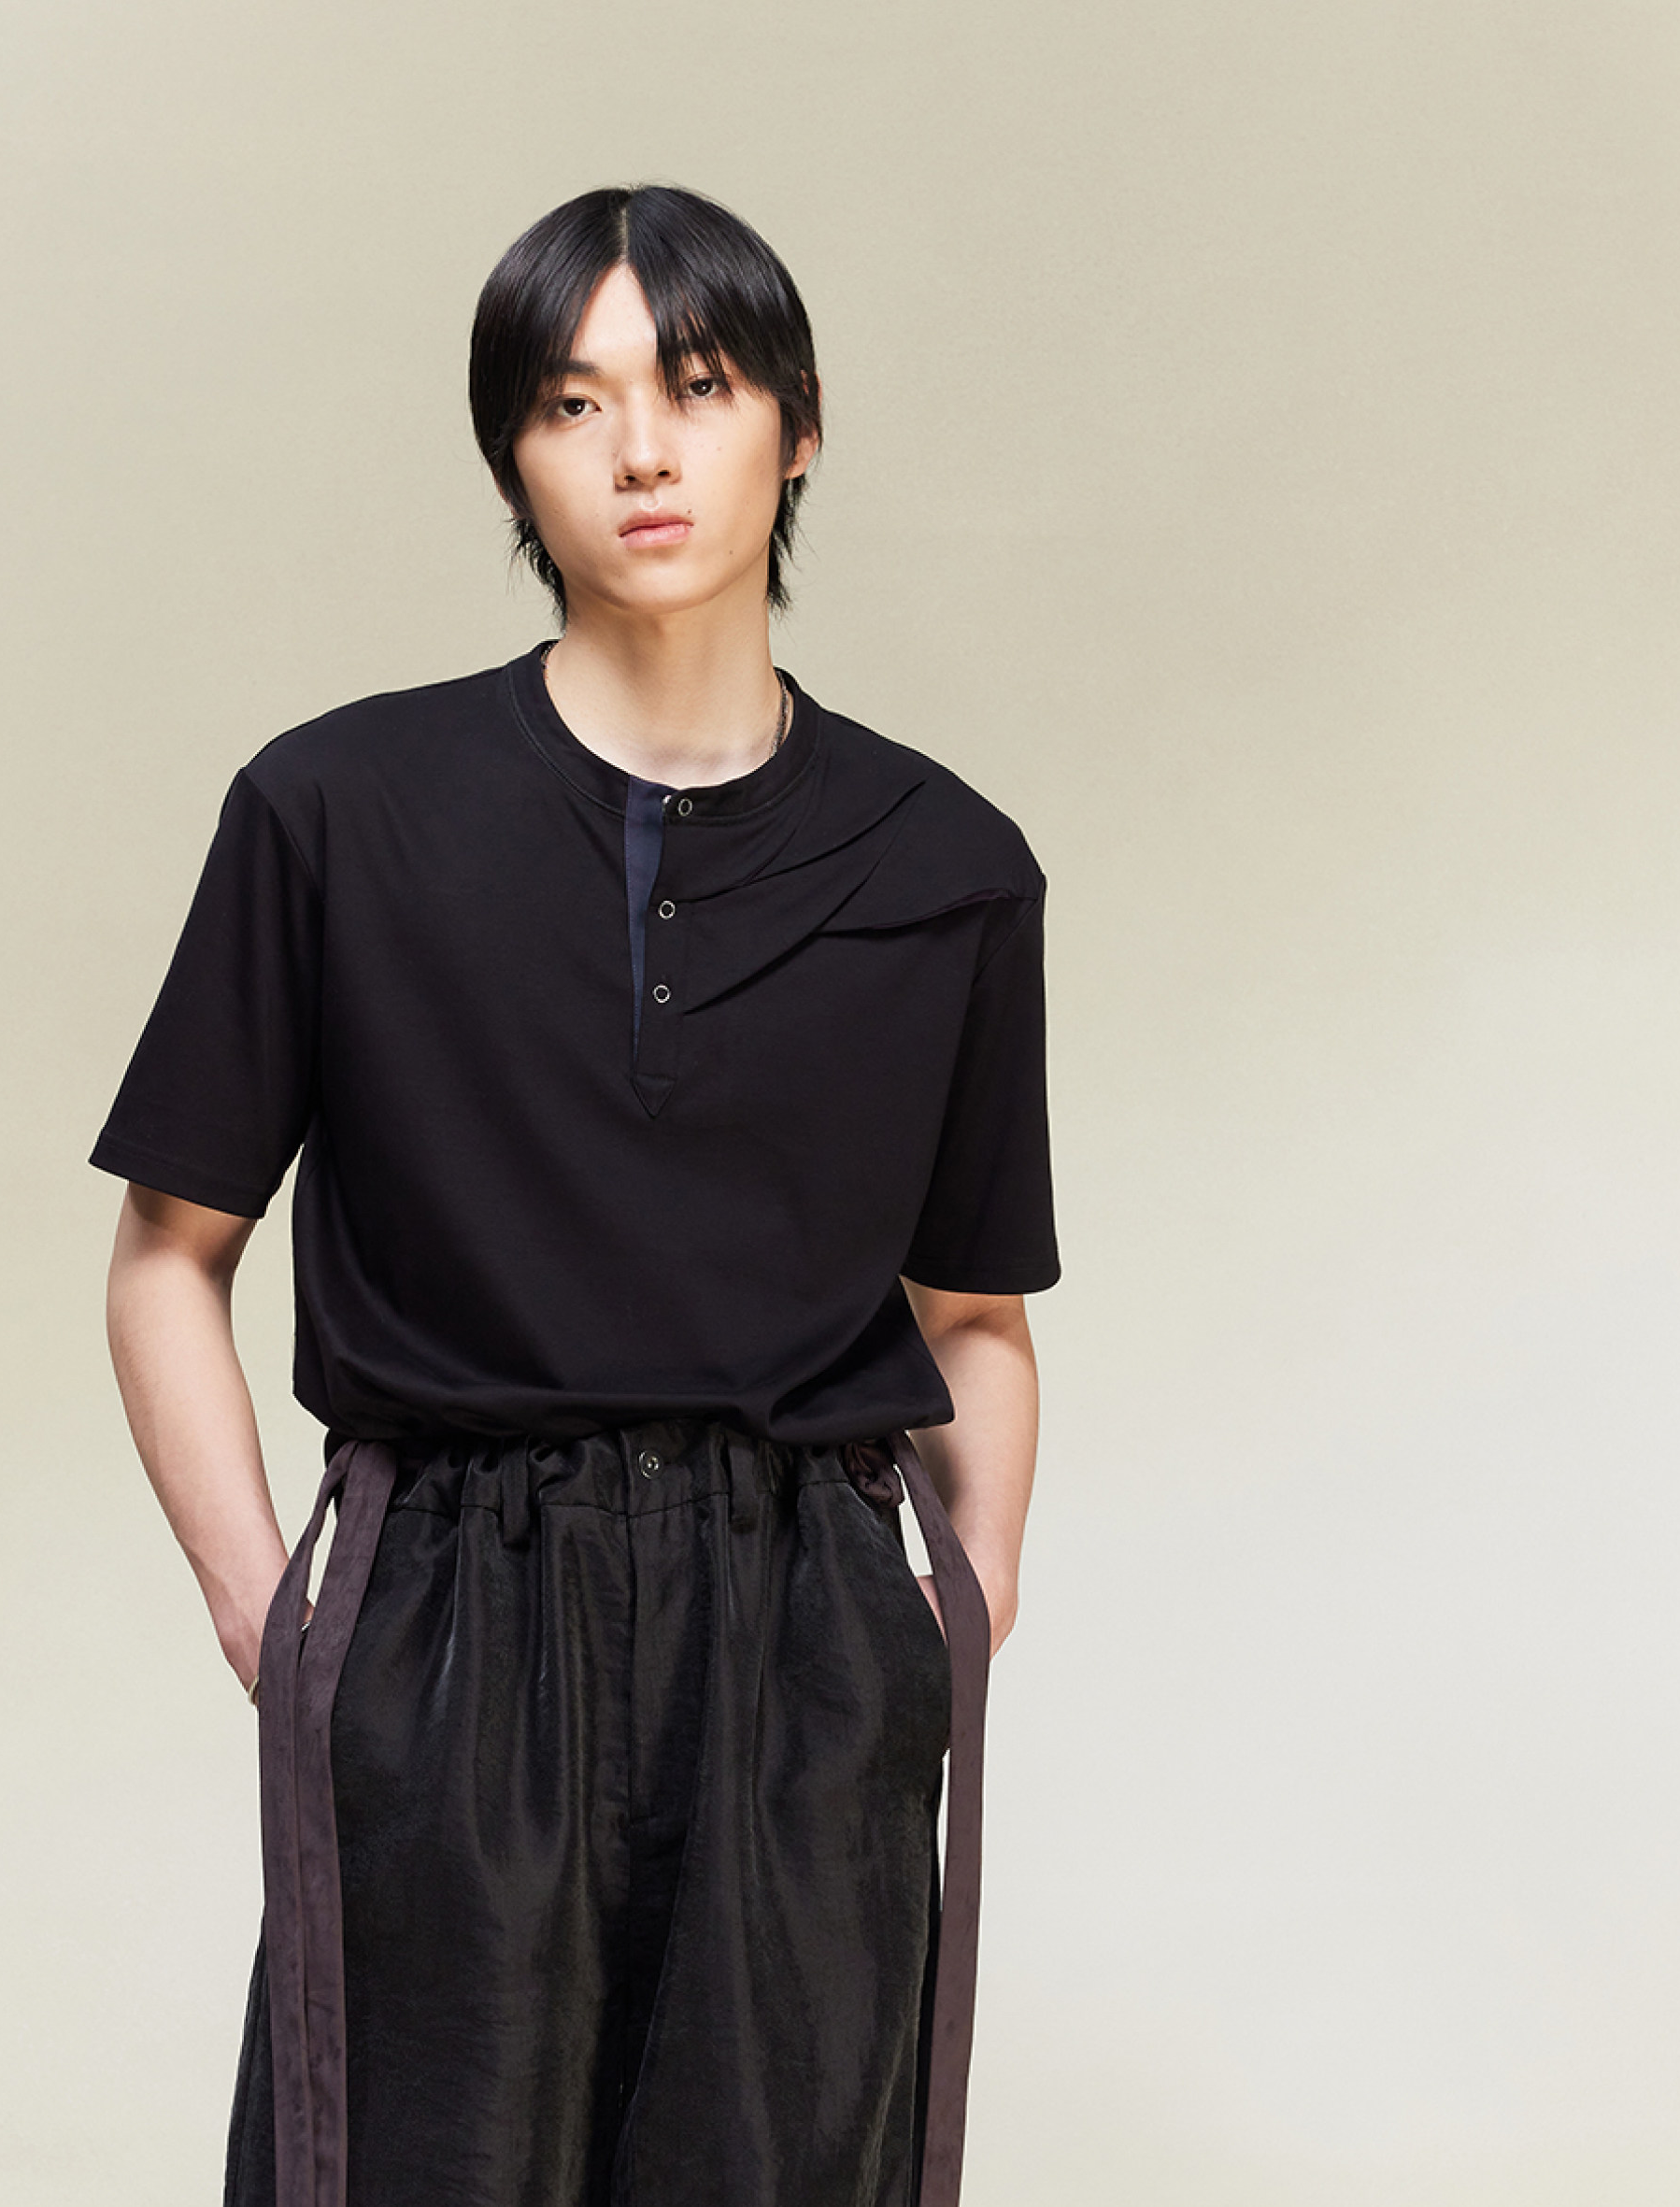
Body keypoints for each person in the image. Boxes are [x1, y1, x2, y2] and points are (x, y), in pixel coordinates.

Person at [93, 182, 1058, 2207]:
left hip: (801, 1623)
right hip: (451, 1609)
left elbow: (972, 1314)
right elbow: (168, 1255)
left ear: (797, 426)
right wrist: (273, 1622)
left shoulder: (947, 865)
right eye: (571, 399)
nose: (639, 450)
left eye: (697, 387)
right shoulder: (334, 810)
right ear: (508, 460)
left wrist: (953, 1616)